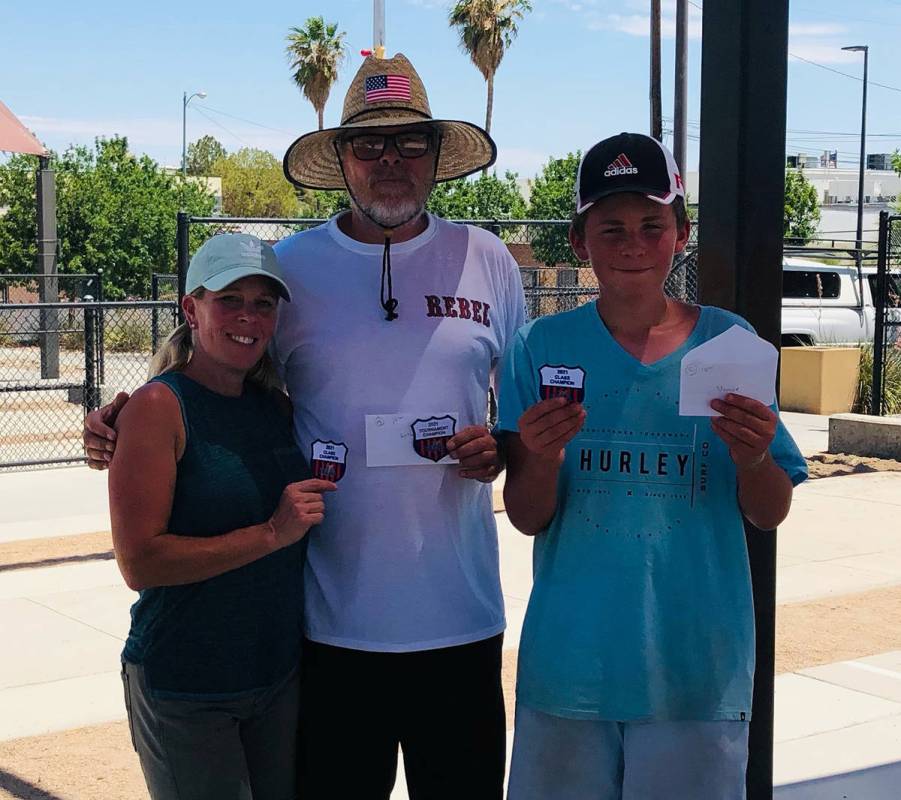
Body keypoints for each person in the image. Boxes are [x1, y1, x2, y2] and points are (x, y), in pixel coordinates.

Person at [86, 53, 525, 800]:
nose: (390, 161)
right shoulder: (290, 269)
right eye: (368, 145)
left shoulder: (486, 259)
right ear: (342, 161)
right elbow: (223, 378)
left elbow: (514, 413)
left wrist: (499, 448)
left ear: (437, 156)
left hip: (461, 616)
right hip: (326, 628)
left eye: (411, 142)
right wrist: (129, 416)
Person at [498, 133, 808, 800]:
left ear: (681, 233)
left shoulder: (731, 345)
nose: (631, 245)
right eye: (609, 228)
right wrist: (543, 457)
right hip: (569, 668)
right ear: (579, 242)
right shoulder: (539, 346)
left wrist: (754, 457)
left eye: (650, 225)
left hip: (696, 670)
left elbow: (769, 508)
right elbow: (526, 516)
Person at [109, 233, 335, 800]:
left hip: (275, 677)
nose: (248, 317)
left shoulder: (274, 405)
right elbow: (140, 562)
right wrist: (269, 534)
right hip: (187, 684)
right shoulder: (160, 407)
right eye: (229, 299)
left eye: (264, 303)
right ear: (191, 309)